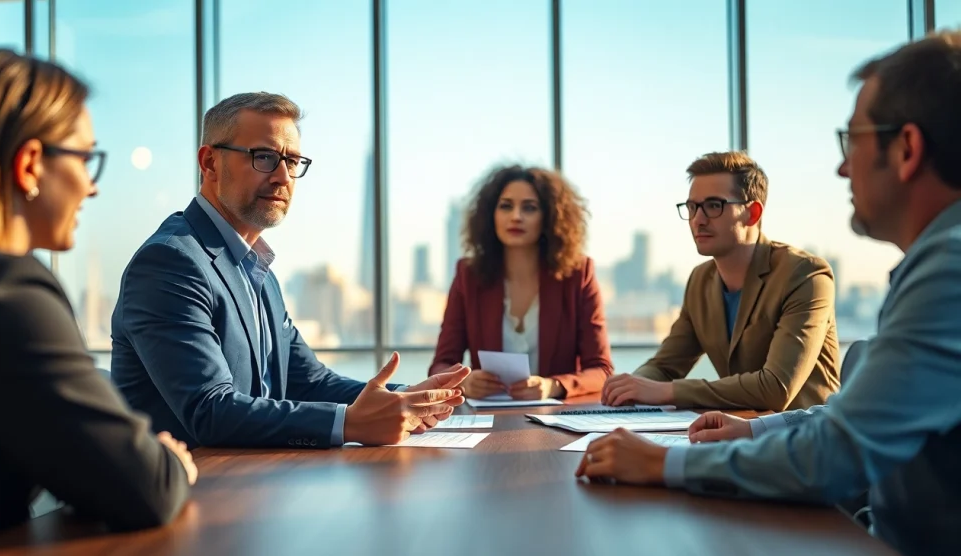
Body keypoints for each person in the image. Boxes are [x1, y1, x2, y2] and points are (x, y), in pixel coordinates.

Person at [575, 31, 961, 556]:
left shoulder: (947, 271)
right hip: (871, 529)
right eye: (692, 207)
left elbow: (833, 442)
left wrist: (665, 465)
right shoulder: (934, 262)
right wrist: (750, 428)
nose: (842, 168)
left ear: (907, 149)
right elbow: (848, 418)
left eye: (852, 141)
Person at [0, 50, 195, 556]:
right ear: (31, 164)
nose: (92, 187)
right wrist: (166, 460)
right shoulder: (3, 292)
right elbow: (147, 489)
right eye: (85, 158)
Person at [111, 92, 468, 449]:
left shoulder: (258, 270)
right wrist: (350, 424)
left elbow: (309, 382)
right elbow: (210, 410)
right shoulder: (170, 262)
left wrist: (404, 398)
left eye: (293, 160)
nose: (283, 176)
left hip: (257, 483)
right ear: (210, 163)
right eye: (264, 157)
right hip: (197, 489)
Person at [601, 151, 839, 411]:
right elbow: (665, 366)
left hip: (805, 440)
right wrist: (630, 387)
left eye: (714, 205)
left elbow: (776, 388)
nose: (698, 219)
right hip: (735, 434)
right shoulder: (700, 280)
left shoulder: (805, 275)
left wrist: (667, 391)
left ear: (752, 214)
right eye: (692, 207)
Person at [430, 165, 613, 400]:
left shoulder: (578, 275)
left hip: (556, 419)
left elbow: (602, 369)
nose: (516, 216)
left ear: (549, 217)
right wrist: (463, 382)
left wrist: (553, 386)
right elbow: (440, 365)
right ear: (491, 215)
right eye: (506, 206)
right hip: (488, 419)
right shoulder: (468, 275)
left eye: (529, 207)